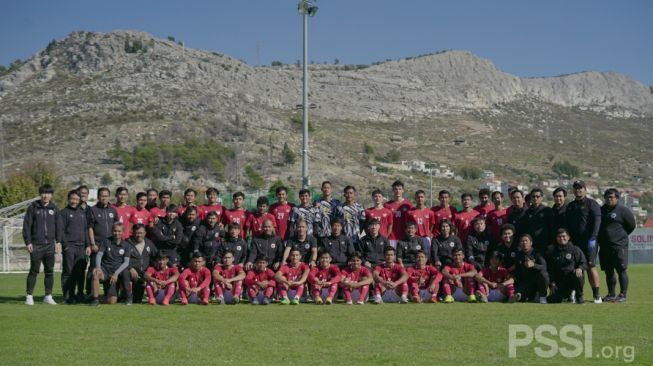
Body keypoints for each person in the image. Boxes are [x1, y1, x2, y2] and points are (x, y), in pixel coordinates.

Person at [565, 180, 602, 303]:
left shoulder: (592, 204)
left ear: (585, 190)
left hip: (589, 242)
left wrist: (593, 237)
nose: (578, 190)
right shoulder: (570, 206)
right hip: (575, 243)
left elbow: (597, 222)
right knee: (575, 267)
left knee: (591, 266)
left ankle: (597, 295)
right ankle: (576, 294)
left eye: (580, 188)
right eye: (576, 188)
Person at [23, 184, 60, 305]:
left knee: (49, 271)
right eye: (43, 193)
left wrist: (58, 242)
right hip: (36, 245)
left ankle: (48, 296)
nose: (46, 195)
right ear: (40, 194)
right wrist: (28, 242)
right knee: (34, 271)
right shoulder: (33, 207)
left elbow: (58, 227)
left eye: (48, 193)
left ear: (51, 195)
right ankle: (29, 296)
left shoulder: (54, 208)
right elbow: (27, 226)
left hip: (50, 245)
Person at [598, 188, 636, 303]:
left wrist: (620, 237)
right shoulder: (600, 210)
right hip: (604, 247)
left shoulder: (623, 211)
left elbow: (631, 226)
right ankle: (611, 294)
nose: (609, 199)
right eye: (607, 197)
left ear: (617, 198)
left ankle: (623, 294)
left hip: (619, 247)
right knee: (609, 271)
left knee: (621, 270)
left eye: (611, 197)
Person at [86, 187, 118, 298]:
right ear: (98, 197)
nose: (104, 198)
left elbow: (117, 227)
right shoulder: (92, 210)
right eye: (102, 196)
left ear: (109, 197)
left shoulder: (113, 210)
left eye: (106, 196)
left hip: (110, 246)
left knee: (108, 269)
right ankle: (91, 294)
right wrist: (92, 243)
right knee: (94, 269)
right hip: (98, 245)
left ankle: (108, 294)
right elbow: (90, 228)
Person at [57, 189, 88, 304]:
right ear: (68, 199)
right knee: (68, 272)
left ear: (79, 200)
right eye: (72, 199)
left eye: (76, 199)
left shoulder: (82, 213)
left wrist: (88, 245)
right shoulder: (63, 213)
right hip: (70, 247)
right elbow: (61, 231)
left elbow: (86, 230)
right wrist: (65, 246)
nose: (74, 201)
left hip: (82, 247)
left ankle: (79, 294)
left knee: (80, 272)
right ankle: (67, 296)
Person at [90, 222, 132, 306]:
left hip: (117, 273)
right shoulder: (106, 241)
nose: (117, 233)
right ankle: (95, 299)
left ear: (123, 232)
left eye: (119, 231)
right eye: (115, 231)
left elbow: (126, 262)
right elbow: (99, 255)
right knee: (96, 273)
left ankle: (127, 297)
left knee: (112, 302)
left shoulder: (126, 245)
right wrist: (98, 268)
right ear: (112, 231)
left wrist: (116, 273)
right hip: (105, 270)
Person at [546, 229, 587, 304]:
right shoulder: (552, 251)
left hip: (572, 279)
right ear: (556, 238)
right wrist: (552, 282)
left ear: (568, 237)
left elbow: (584, 263)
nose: (561, 238)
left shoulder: (575, 249)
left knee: (578, 273)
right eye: (559, 237)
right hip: (560, 282)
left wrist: (580, 268)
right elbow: (550, 269)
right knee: (552, 300)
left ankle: (579, 296)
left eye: (564, 236)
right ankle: (568, 295)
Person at [511, 234, 549, 304]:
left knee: (544, 274)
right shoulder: (518, 255)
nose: (524, 243)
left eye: (526, 241)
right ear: (519, 244)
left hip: (538, 280)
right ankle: (528, 296)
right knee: (519, 295)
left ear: (531, 243)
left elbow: (544, 267)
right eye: (522, 241)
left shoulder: (537, 253)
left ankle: (542, 297)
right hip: (527, 282)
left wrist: (533, 265)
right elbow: (518, 272)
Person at [126, 224, 157, 303]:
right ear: (132, 233)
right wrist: (130, 268)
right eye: (136, 233)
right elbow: (121, 259)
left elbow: (156, 257)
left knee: (137, 300)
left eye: (141, 233)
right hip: (131, 272)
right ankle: (125, 295)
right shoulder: (126, 243)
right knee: (125, 274)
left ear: (145, 233)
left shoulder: (149, 243)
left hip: (144, 274)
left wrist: (152, 271)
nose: (139, 235)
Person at [384, 180, 414, 247]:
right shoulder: (387, 205)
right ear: (393, 190)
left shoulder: (408, 204)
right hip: (391, 237)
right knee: (391, 257)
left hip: (405, 237)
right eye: (396, 189)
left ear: (403, 190)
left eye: (400, 189)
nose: (398, 191)